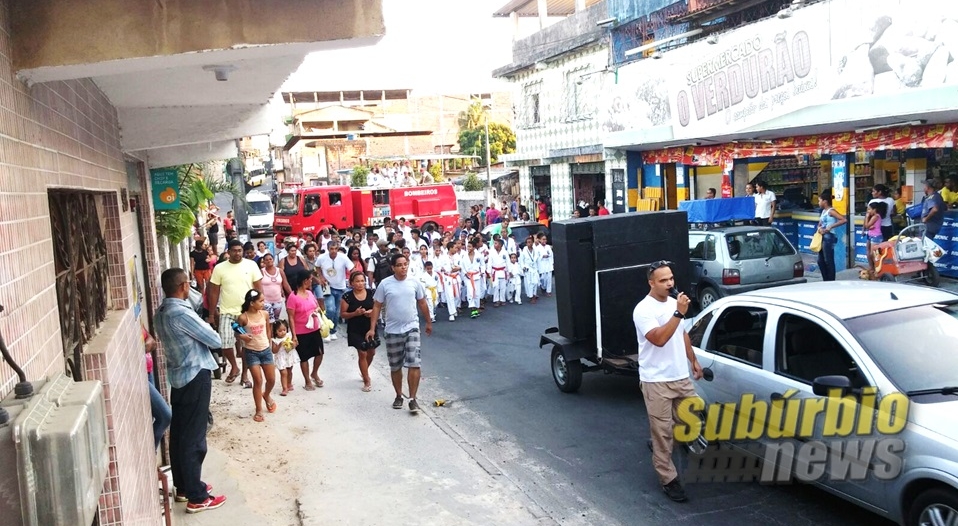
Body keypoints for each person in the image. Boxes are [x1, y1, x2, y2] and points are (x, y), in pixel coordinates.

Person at [154, 268, 227, 513]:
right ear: (184, 286)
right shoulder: (180, 313)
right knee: (194, 437)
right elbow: (215, 340)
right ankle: (197, 496)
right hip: (195, 375)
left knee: (180, 434)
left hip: (179, 376)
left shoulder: (162, 311)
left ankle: (185, 487)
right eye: (189, 285)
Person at [633, 260, 703, 503]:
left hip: (680, 376)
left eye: (671, 278)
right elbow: (659, 339)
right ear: (651, 283)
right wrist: (678, 313)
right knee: (663, 434)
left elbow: (681, 333)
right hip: (656, 381)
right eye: (663, 280)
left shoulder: (675, 303)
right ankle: (669, 479)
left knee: (692, 418)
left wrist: (693, 360)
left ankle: (660, 441)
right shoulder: (643, 310)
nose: (670, 283)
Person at [366, 254, 432, 413]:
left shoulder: (414, 282)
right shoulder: (385, 284)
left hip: (412, 328)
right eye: (400, 265)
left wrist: (428, 321)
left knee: (414, 362)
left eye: (405, 264)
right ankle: (398, 395)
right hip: (392, 330)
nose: (403, 267)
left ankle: (413, 398)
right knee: (395, 366)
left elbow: (422, 302)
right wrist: (372, 328)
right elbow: (376, 306)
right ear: (393, 268)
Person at [207, 239, 263, 387]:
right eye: (234, 251)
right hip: (227, 312)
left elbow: (258, 289)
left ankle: (245, 375)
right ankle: (234, 367)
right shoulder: (219, 268)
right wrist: (212, 314)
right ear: (228, 252)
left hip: (246, 313)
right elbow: (213, 291)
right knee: (224, 342)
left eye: (240, 250)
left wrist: (259, 309)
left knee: (246, 345)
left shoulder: (251, 265)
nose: (237, 253)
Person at [236, 290, 276, 422]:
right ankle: (258, 409)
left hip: (265, 350)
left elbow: (268, 331)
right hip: (251, 352)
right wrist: (242, 337)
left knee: (271, 380)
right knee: (258, 380)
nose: (263, 303)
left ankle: (267, 395)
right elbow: (237, 333)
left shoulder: (264, 314)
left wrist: (270, 345)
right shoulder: (243, 317)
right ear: (252, 303)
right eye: (261, 301)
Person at [285, 269, 325, 390]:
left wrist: (317, 311)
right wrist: (294, 335)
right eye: (310, 279)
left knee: (320, 353)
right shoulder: (293, 297)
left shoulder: (310, 293)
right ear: (304, 280)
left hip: (314, 328)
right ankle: (307, 380)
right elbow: (291, 317)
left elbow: (316, 306)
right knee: (304, 357)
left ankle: (314, 373)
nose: (311, 281)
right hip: (301, 331)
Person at [341, 271, 377, 392]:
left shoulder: (371, 293)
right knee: (362, 353)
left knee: (371, 352)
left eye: (362, 281)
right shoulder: (347, 296)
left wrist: (371, 312)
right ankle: (367, 380)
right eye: (357, 281)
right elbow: (343, 314)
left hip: (370, 327)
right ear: (351, 283)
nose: (360, 284)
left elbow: (378, 307)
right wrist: (355, 313)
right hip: (355, 328)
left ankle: (364, 370)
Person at [315, 241, 353, 342]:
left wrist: (353, 279)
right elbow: (317, 267)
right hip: (328, 287)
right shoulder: (322, 258)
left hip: (341, 287)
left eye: (335, 248)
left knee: (337, 312)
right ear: (328, 249)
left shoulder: (343, 257)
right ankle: (326, 331)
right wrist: (321, 277)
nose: (334, 251)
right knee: (330, 309)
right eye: (331, 249)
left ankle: (333, 331)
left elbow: (351, 268)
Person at [143, 326, 171, 451]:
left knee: (154, 417)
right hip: (139, 376)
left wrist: (148, 341)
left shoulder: (135, 315)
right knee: (165, 415)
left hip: (148, 371)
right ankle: (150, 457)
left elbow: (152, 341)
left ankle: (151, 461)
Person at [816, 192, 847, 282]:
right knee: (820, 260)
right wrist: (819, 229)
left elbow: (843, 220)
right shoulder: (823, 211)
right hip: (822, 236)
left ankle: (830, 280)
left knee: (828, 260)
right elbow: (820, 224)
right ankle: (825, 279)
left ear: (825, 201)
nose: (818, 203)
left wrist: (831, 226)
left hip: (829, 237)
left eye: (819, 201)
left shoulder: (831, 211)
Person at [270, 320, 299, 397]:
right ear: (275, 331)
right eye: (280, 331)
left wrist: (292, 345)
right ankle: (284, 388)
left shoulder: (289, 336)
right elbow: (274, 351)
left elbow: (296, 344)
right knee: (283, 373)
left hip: (289, 356)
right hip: (281, 358)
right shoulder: (274, 340)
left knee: (289, 371)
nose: (282, 332)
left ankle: (289, 383)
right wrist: (279, 345)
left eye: (284, 330)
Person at [863, 201, 887, 278]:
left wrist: (867, 217)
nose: (868, 211)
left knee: (873, 255)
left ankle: (877, 270)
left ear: (874, 209)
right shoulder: (873, 216)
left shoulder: (875, 216)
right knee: (868, 253)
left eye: (869, 209)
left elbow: (867, 225)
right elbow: (867, 226)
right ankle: (872, 268)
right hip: (870, 235)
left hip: (876, 237)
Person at [259, 254, 284, 323]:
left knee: (276, 320)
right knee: (269, 321)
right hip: (266, 301)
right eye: (266, 260)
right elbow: (258, 285)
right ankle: (269, 334)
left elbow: (285, 283)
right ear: (264, 262)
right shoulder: (261, 272)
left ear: (273, 260)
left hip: (278, 300)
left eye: (270, 259)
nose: (269, 261)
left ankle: (274, 333)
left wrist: (291, 294)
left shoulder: (280, 271)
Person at [487, 238, 509, 307]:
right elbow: (489, 263)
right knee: (495, 286)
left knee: (503, 287)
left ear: (500, 245)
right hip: (495, 271)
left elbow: (508, 262)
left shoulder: (505, 252)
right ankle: (496, 300)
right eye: (494, 243)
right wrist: (488, 272)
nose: (494, 245)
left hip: (503, 271)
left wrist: (509, 271)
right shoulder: (492, 252)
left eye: (496, 243)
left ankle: (502, 300)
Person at [519, 236, 540, 304]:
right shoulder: (524, 251)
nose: (529, 244)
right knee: (530, 284)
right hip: (528, 269)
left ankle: (534, 294)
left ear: (532, 243)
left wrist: (538, 269)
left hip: (534, 268)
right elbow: (521, 261)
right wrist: (523, 267)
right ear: (526, 243)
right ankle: (531, 296)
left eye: (530, 242)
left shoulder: (535, 250)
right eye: (528, 242)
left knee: (535, 283)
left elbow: (538, 260)